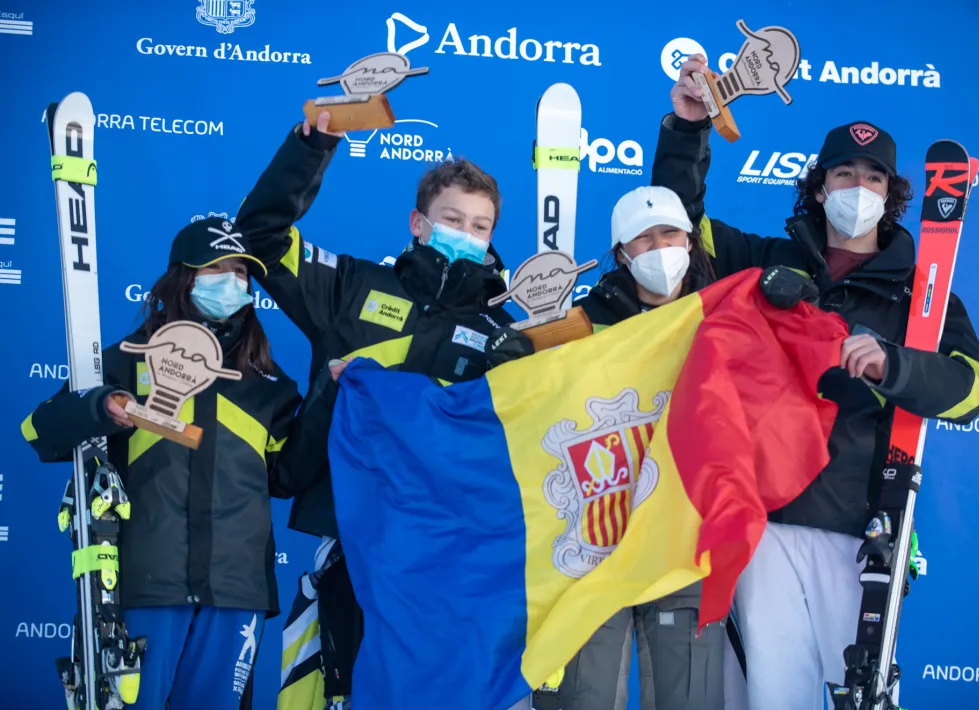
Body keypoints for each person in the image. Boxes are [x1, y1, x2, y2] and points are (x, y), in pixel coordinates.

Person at [651, 54, 979, 709]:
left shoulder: (920, 294)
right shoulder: (764, 262)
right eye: (844, 173)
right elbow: (676, 230)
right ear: (818, 187)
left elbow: (971, 390)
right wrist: (688, 129)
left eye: (873, 177)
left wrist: (895, 364)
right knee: (767, 693)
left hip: (858, 528)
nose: (858, 186)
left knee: (852, 693)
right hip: (762, 515)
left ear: (890, 196)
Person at [232, 111, 526, 710]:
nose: (466, 234)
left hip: (449, 545)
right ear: (419, 224)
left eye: (480, 226)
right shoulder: (351, 287)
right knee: (342, 689)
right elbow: (259, 235)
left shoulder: (504, 331)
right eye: (452, 220)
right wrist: (314, 145)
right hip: (350, 530)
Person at [20, 217, 304, 710]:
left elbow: (286, 478)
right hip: (148, 585)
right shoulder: (124, 362)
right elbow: (37, 431)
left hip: (235, 592)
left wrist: (327, 400)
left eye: (240, 272)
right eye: (216, 268)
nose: (231, 281)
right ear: (182, 277)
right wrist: (101, 406)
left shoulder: (268, 385)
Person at [538, 184, 728, 710]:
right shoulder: (581, 324)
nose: (659, 248)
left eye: (670, 234)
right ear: (621, 253)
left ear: (690, 241)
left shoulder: (720, 319)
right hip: (597, 539)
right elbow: (537, 408)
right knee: (588, 696)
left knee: (689, 699)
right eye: (643, 239)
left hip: (682, 536)